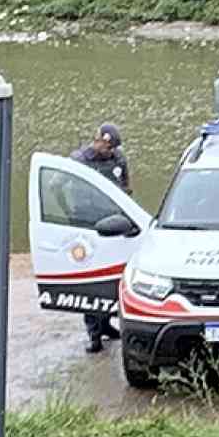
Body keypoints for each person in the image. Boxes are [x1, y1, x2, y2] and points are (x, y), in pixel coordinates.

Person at [72, 123, 131, 353]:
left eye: (114, 148)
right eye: (109, 147)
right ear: (99, 141)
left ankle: (106, 324)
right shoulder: (79, 161)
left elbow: (126, 187)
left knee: (110, 276)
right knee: (90, 280)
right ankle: (93, 333)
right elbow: (62, 188)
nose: (111, 152)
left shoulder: (119, 159)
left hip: (113, 225)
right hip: (88, 227)